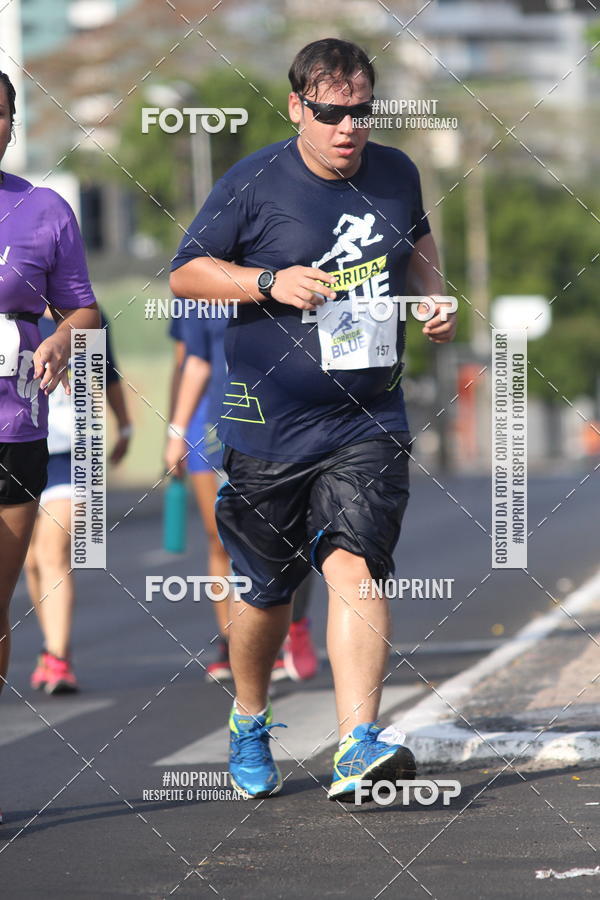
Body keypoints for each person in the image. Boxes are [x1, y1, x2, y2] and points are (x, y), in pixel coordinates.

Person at [170, 38, 456, 802]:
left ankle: (356, 742)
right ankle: (250, 715)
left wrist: (433, 294)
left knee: (357, 564)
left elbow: (417, 242)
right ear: (298, 106)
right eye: (330, 113)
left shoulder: (396, 171)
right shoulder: (256, 180)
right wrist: (267, 279)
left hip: (367, 416)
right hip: (269, 422)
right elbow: (187, 271)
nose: (347, 128)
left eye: (361, 112)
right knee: (266, 590)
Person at [0, 71, 99, 821]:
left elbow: (86, 312)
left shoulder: (42, 211)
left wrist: (65, 336)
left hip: (13, 430)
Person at [165, 312, 318, 682]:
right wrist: (175, 431)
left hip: (281, 419)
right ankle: (230, 639)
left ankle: (292, 625)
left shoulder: (275, 262)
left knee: (293, 535)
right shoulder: (197, 284)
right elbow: (193, 361)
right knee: (219, 537)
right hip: (217, 425)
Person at [25, 307, 131, 694]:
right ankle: (49, 648)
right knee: (32, 560)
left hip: (71, 451)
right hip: (18, 449)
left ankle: (58, 657)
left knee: (54, 552)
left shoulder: (88, 315)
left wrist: (126, 425)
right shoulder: (11, 308)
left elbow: (109, 372)